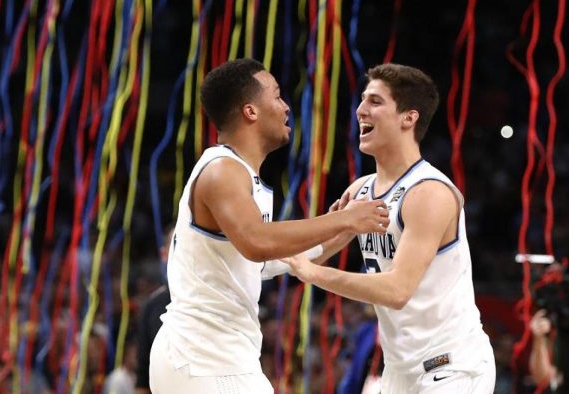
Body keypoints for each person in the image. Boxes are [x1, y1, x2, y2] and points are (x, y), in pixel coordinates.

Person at [148, 58, 390, 394]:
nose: (286, 107)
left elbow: (271, 260)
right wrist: (343, 218)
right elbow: (256, 242)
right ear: (250, 111)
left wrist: (345, 231)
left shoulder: (244, 178)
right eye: (276, 96)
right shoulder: (223, 170)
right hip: (203, 357)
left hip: (215, 357)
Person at [281, 63, 495, 393]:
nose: (360, 110)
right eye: (364, 99)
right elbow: (310, 250)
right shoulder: (361, 190)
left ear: (408, 118)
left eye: (375, 102)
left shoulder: (429, 193)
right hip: (400, 369)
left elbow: (397, 291)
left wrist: (311, 274)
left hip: (451, 366)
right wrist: (252, 252)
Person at [135, 227, 173, 394]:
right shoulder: (151, 307)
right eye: (178, 245)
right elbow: (143, 378)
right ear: (164, 254)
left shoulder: (218, 301)